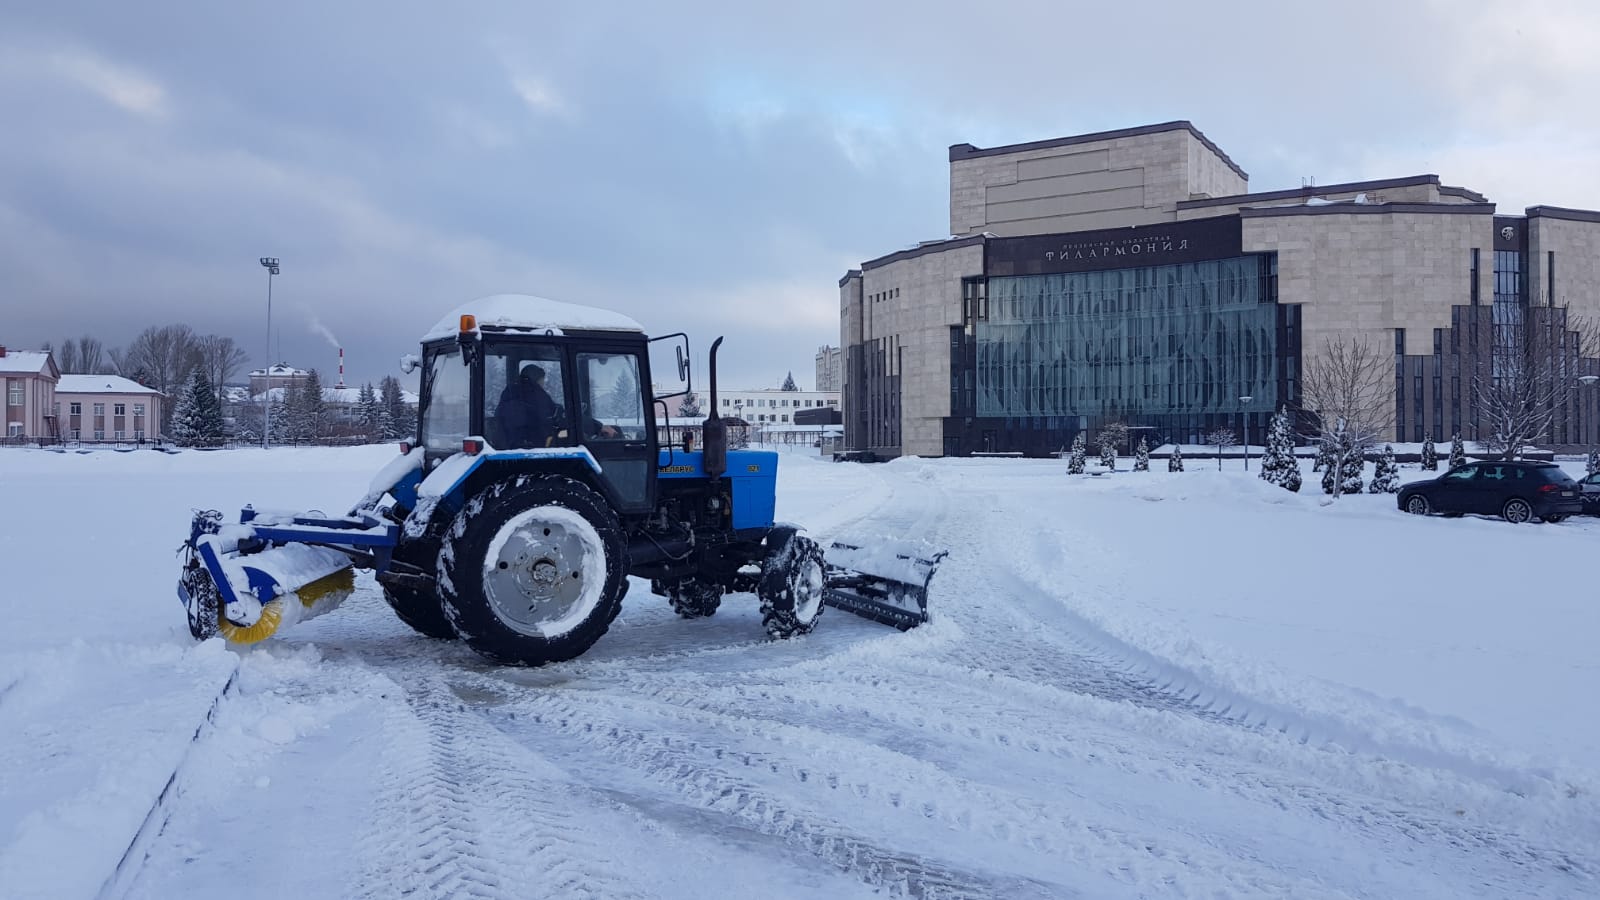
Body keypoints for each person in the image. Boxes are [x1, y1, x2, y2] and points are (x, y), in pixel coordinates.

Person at [497, 364, 561, 448]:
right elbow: (550, 412)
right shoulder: (537, 394)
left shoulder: (509, 391)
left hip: (508, 440)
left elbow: (499, 412)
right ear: (535, 379)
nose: (543, 383)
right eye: (542, 380)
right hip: (534, 441)